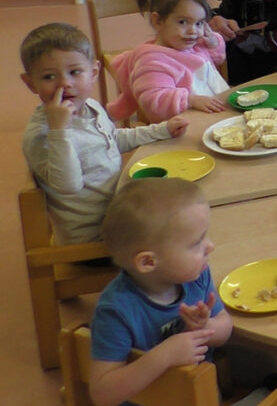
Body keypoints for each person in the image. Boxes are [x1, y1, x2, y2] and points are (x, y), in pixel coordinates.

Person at [89, 178, 277, 406]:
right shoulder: (115, 311)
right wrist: (165, 355)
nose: (209, 246)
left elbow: (224, 329)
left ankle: (266, 391)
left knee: (263, 362)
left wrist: (205, 328)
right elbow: (102, 394)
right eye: (195, 243)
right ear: (148, 262)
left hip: (200, 381)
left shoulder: (195, 275)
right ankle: (271, 395)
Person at [20, 23, 187, 245]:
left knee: (185, 199)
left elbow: (113, 139)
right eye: (49, 77)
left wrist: (162, 130)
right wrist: (60, 130)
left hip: (119, 210)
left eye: (74, 72)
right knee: (180, 231)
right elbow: (69, 185)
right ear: (31, 83)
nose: (65, 83)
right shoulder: (42, 135)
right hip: (94, 237)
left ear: (94, 72)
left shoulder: (90, 105)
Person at [107, 0, 229, 124]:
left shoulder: (193, 45)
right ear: (157, 21)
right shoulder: (153, 61)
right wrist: (190, 100)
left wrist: (213, 42)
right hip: (182, 130)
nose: (193, 31)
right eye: (183, 22)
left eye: (199, 23)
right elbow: (153, 101)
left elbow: (217, 58)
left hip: (213, 118)